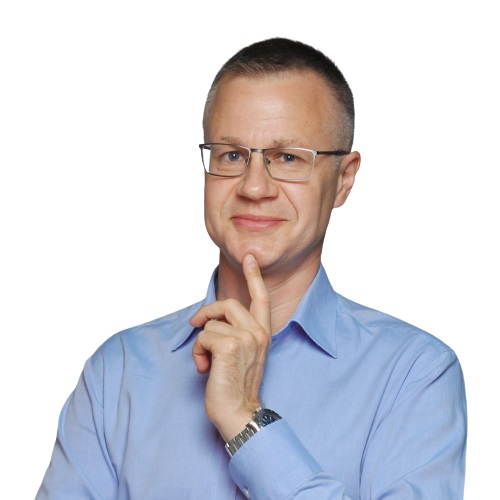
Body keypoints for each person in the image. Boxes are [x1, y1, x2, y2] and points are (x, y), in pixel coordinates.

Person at [36, 37, 467, 499]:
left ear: (344, 179)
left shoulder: (414, 374)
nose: (254, 187)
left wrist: (245, 419)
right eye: (231, 155)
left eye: (288, 158)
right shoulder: (117, 372)